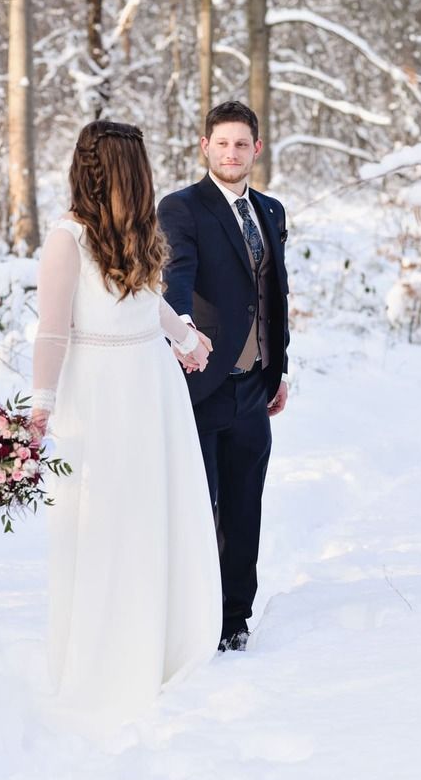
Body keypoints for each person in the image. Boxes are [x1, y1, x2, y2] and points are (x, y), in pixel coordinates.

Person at [31, 120, 221, 724]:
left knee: (152, 513)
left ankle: (159, 638)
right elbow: (54, 330)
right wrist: (40, 403)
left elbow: (147, 301)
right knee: (109, 520)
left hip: (149, 383)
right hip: (104, 393)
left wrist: (185, 335)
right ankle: (112, 652)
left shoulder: (137, 234)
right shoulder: (69, 240)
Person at [157, 100, 289, 653]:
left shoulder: (272, 210)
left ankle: (236, 617)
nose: (232, 152)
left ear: (256, 149)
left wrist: (278, 367)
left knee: (245, 506)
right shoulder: (182, 208)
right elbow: (176, 273)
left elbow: (273, 295)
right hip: (204, 383)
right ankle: (198, 619)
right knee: (201, 505)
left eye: (242, 143)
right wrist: (183, 329)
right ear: (204, 146)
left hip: (256, 385)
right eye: (222, 143)